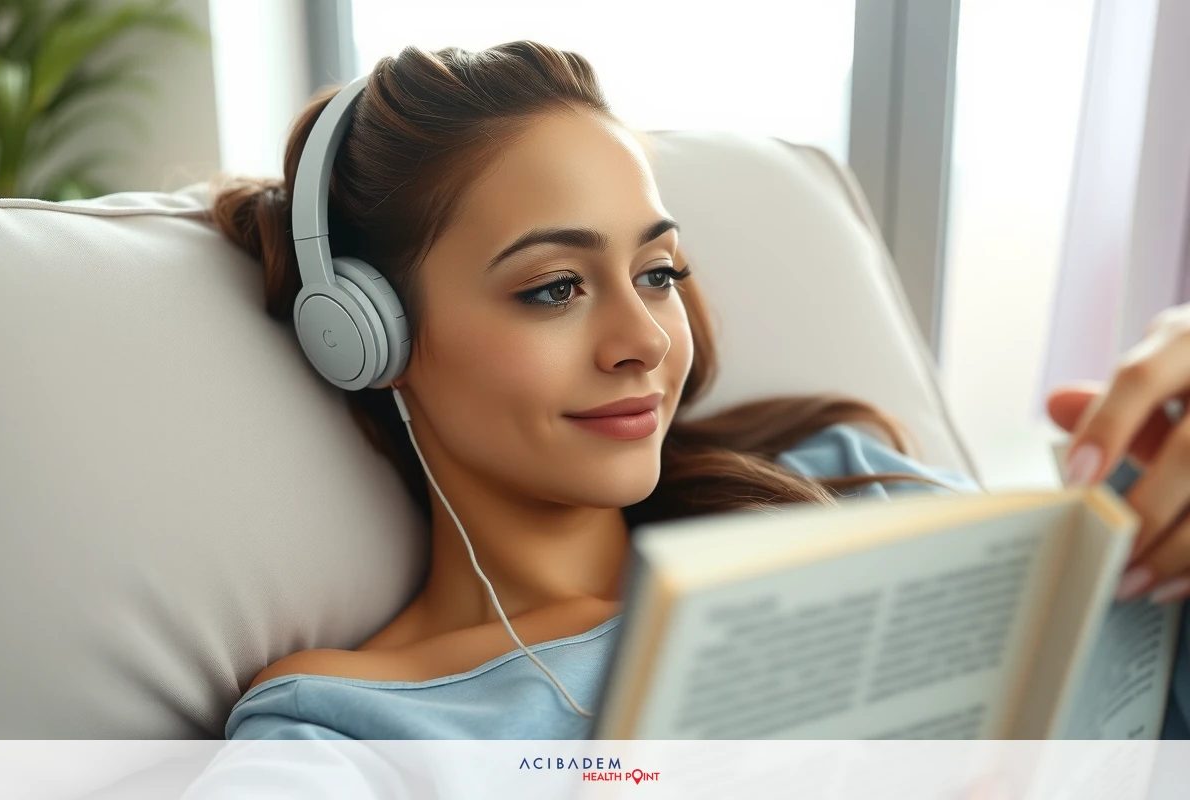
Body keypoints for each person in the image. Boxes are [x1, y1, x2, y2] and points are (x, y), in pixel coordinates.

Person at [206, 41, 1187, 741]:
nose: (642, 340)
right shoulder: (347, 729)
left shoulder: (848, 483)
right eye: (554, 288)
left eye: (658, 273)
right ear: (369, 336)